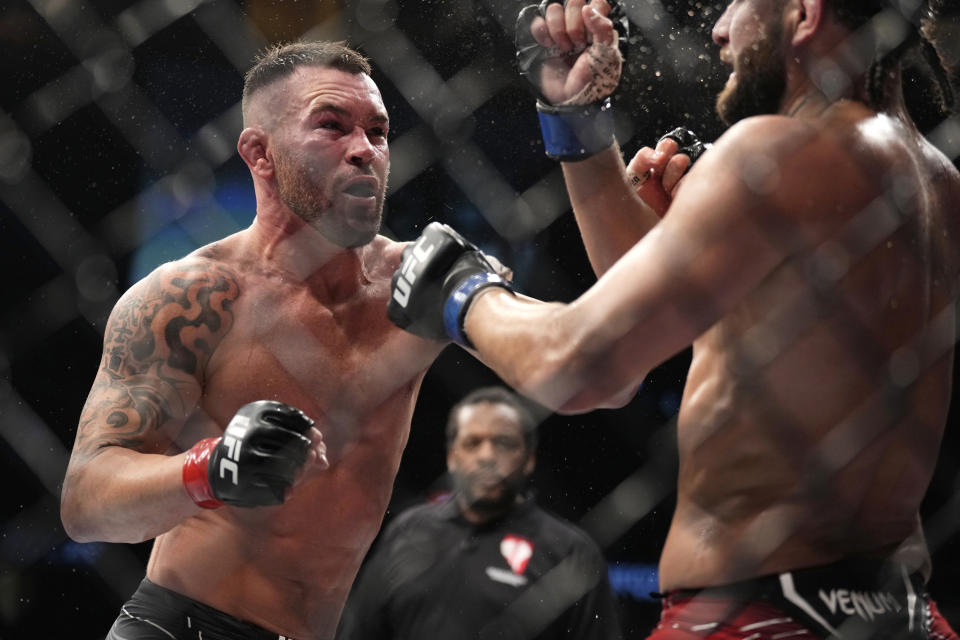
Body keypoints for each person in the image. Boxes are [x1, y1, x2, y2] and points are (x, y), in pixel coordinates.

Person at [385, 0, 960, 637]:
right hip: (901, 613)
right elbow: (695, 339)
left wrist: (460, 291)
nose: (717, 29)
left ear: (804, 13)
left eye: (740, 4)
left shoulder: (780, 150)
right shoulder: (937, 181)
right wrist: (581, 126)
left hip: (756, 613)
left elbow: (583, 367)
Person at [59, 41, 453, 640]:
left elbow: (578, 356)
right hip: (179, 626)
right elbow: (85, 501)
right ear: (259, 153)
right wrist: (211, 470)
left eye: (378, 131)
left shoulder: (418, 282)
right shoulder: (192, 297)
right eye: (332, 126)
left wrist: (588, 150)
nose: (364, 151)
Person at [337, 385, 623, 640]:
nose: (487, 457)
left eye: (504, 443)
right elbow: (360, 630)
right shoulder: (409, 531)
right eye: (473, 443)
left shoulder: (569, 551)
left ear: (528, 459)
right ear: (452, 457)